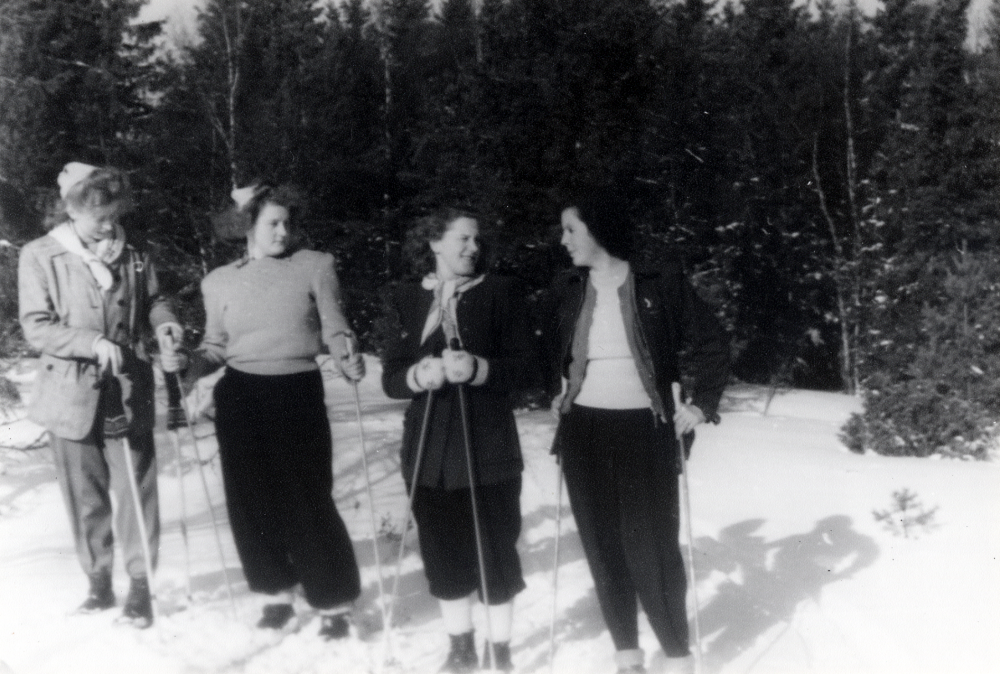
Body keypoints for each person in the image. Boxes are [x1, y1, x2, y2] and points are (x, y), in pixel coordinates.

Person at [162, 183, 365, 639]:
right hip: (241, 395)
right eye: (273, 222)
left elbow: (336, 327)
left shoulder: (314, 265)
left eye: (288, 223)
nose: (283, 231)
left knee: (308, 498)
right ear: (246, 225)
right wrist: (188, 364)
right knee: (250, 499)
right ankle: (275, 593)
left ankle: (333, 600)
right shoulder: (218, 281)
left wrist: (346, 355)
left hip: (296, 392)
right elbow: (216, 345)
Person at [541, 188, 729, 674]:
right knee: (602, 547)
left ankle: (677, 656)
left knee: (652, 548)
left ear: (598, 228)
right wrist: (556, 391)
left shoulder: (658, 282)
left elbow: (711, 341)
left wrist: (701, 405)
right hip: (583, 431)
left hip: (644, 431)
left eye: (571, 229)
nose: (563, 240)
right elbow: (542, 350)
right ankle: (627, 657)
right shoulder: (567, 287)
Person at [18, 163, 183, 627]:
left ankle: (141, 587)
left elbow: (156, 300)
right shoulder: (40, 255)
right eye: (99, 217)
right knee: (85, 495)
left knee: (136, 490)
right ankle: (98, 581)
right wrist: (89, 342)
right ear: (71, 210)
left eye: (114, 215)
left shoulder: (135, 254)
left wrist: (165, 323)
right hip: (69, 393)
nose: (109, 226)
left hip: (127, 387)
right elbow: (36, 325)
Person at [380, 209, 535, 672]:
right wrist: (417, 374)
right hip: (429, 453)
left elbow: (529, 367)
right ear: (434, 243)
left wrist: (480, 369)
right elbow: (390, 377)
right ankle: (461, 648)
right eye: (463, 239)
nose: (473, 248)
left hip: (488, 450)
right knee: (443, 555)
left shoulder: (500, 292)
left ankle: (500, 651)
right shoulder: (408, 297)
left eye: (477, 240)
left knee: (495, 554)